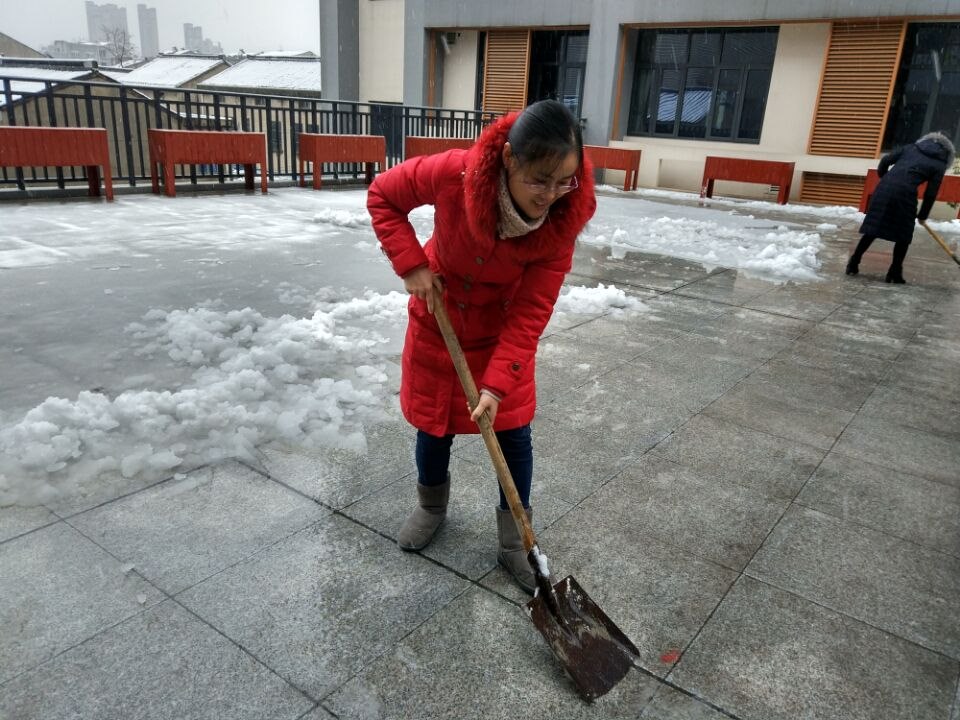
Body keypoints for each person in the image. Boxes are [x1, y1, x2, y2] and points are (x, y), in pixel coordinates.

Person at [367, 100, 596, 593]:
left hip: (501, 331)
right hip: (439, 316)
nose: (550, 195)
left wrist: (495, 386)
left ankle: (516, 541)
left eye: (564, 182)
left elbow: (532, 311)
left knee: (513, 432)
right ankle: (431, 506)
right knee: (435, 424)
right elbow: (384, 195)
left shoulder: (561, 222)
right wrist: (412, 265)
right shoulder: (456, 172)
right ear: (510, 159)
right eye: (539, 180)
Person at [846, 131, 955, 283]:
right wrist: (923, 215)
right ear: (948, 153)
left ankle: (853, 263)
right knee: (903, 234)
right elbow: (931, 193)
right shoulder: (939, 164)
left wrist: (885, 179)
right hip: (905, 193)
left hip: (883, 189)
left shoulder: (910, 148)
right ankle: (894, 272)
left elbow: (885, 160)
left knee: (874, 228)